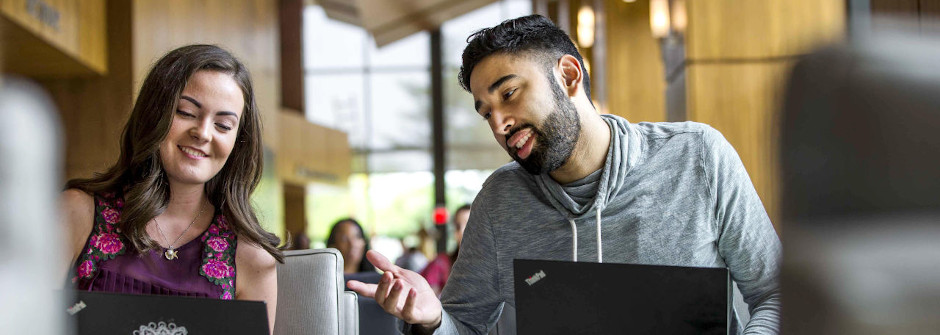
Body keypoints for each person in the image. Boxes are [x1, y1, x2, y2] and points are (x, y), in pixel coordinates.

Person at [347, 14, 782, 335]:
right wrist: (435, 319)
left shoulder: (696, 156)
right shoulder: (500, 201)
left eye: (510, 94)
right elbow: (466, 327)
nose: (499, 124)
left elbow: (776, 293)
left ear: (569, 75)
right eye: (487, 113)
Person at [59, 44, 283, 334]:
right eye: (186, 112)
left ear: (238, 143)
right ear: (154, 113)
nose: (203, 133)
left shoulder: (251, 258)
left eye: (223, 125)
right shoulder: (76, 213)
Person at [419, 204, 470, 296]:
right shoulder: (441, 263)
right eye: (458, 226)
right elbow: (426, 297)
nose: (461, 231)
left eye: (469, 225)